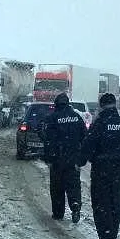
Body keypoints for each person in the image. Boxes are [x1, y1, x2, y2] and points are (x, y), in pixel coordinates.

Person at [79, 91, 120, 239]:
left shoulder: (99, 124)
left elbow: (88, 145)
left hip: (101, 170)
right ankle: (111, 236)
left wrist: (81, 161)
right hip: (117, 172)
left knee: (101, 203)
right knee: (114, 203)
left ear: (101, 106)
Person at [42, 91, 87, 222]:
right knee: (73, 184)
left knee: (57, 187)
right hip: (72, 159)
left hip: (57, 159)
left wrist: (49, 158)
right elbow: (84, 137)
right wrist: (80, 158)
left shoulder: (53, 118)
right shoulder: (76, 117)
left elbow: (48, 140)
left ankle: (58, 212)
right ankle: (75, 205)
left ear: (57, 104)